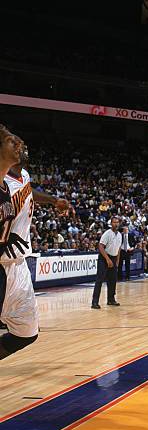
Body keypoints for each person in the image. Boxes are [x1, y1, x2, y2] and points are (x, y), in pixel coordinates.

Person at [0, 130, 72, 360]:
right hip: (2, 261)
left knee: (26, 333)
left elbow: (28, 191)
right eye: (14, 142)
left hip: (19, 265)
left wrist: (52, 201)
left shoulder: (23, 176)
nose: (21, 145)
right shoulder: (3, 183)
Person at [92, 216, 122, 309]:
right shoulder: (107, 233)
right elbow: (100, 246)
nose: (116, 224)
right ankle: (95, 302)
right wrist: (107, 259)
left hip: (113, 257)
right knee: (99, 280)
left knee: (112, 280)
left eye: (117, 222)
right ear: (111, 223)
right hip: (104, 257)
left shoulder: (120, 235)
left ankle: (111, 299)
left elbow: (119, 248)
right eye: (114, 222)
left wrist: (117, 260)